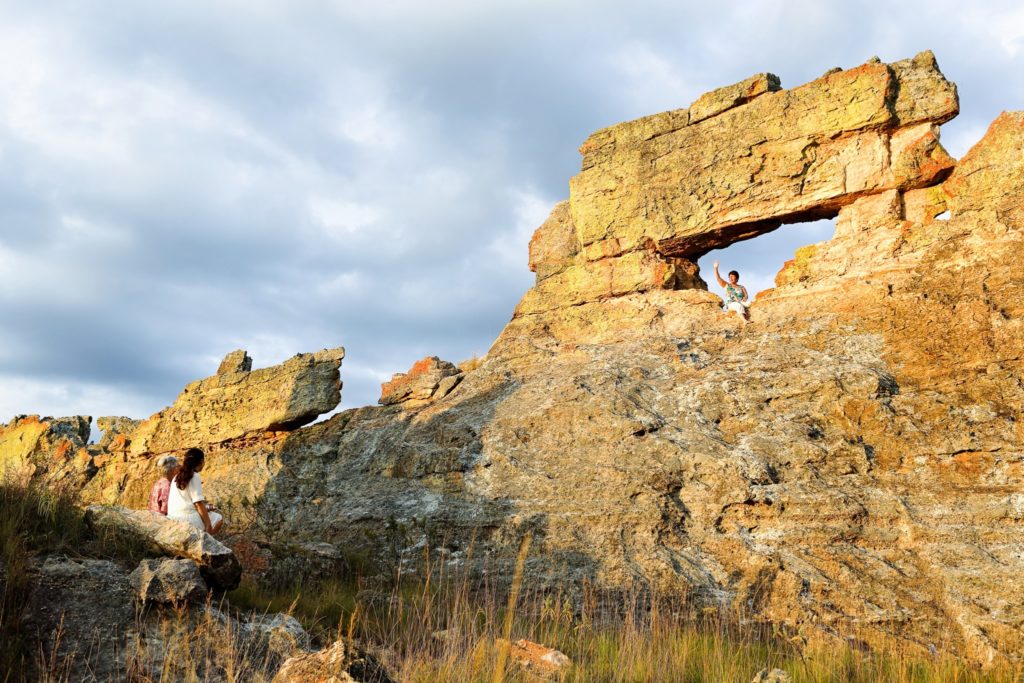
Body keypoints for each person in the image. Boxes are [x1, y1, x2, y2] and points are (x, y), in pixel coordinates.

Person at [166, 447, 225, 535]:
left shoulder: (176, 477)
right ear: (201, 461)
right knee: (218, 519)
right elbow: (198, 504)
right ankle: (207, 538)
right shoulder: (194, 476)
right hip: (186, 519)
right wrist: (208, 525)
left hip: (172, 517)